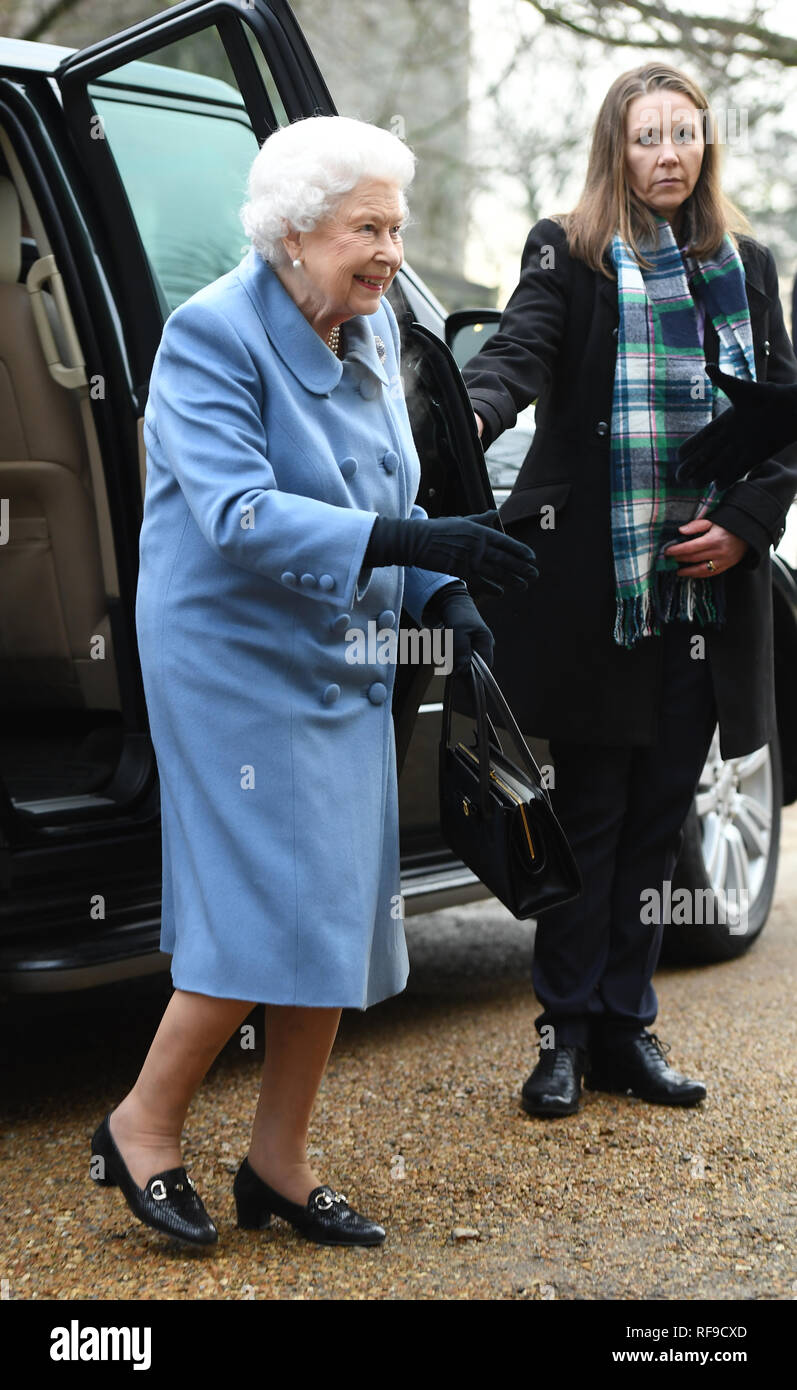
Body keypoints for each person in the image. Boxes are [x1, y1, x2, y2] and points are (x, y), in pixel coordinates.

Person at [89, 115, 536, 1246]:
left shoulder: (370, 328)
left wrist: (445, 595)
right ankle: (140, 1124)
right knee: (261, 907)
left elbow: (381, 480)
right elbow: (239, 515)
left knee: (335, 907)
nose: (390, 251)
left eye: (397, 225)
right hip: (232, 655)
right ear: (294, 232)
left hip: (345, 644)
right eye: (367, 227)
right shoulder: (210, 334)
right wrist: (412, 548)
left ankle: (276, 1163)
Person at [462, 64, 797, 1117]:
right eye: (646, 136)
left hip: (703, 600)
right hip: (595, 589)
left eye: (683, 136)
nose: (666, 154)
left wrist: (744, 528)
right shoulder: (565, 250)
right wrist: (455, 421)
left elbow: (780, 419)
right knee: (588, 816)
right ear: (616, 146)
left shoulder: (745, 264)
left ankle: (625, 1030)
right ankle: (561, 1033)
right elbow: (514, 358)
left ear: (705, 147)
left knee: (659, 821)